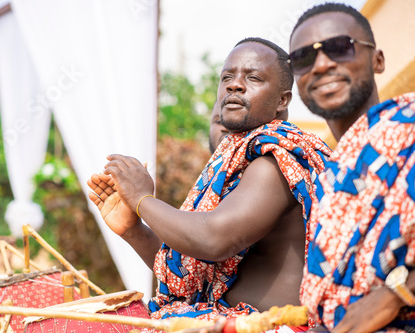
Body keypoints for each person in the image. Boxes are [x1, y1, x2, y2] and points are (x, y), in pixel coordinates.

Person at [88, 38, 331, 327]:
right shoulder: (238, 166)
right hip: (229, 322)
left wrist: (143, 200)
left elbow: (214, 241)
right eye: (227, 77)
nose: (234, 85)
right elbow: (193, 273)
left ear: (282, 100)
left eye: (252, 77)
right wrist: (133, 229)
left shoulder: (276, 162)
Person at [287, 3, 415, 332]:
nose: (322, 64)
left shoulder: (410, 123)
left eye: (340, 48)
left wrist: (395, 294)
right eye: (303, 58)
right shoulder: (330, 173)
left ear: (378, 60)